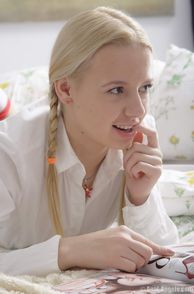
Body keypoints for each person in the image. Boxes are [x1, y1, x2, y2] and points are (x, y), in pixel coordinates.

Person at [0, 6, 178, 276]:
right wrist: (71, 250)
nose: (138, 110)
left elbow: (163, 253)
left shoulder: (135, 138)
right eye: (116, 90)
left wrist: (139, 197)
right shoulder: (9, 154)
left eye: (144, 88)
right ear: (66, 89)